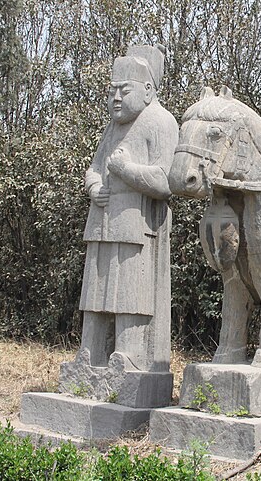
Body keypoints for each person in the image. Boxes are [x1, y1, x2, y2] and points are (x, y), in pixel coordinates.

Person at [76, 45, 178, 374]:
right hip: (101, 221)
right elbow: (93, 167)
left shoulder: (161, 122)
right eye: (112, 91)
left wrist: (125, 171)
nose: (116, 98)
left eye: (125, 90)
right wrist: (94, 186)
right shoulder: (113, 127)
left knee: (130, 293)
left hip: (137, 226)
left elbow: (165, 181)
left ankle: (129, 354)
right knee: (96, 291)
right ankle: (88, 353)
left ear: (148, 91)